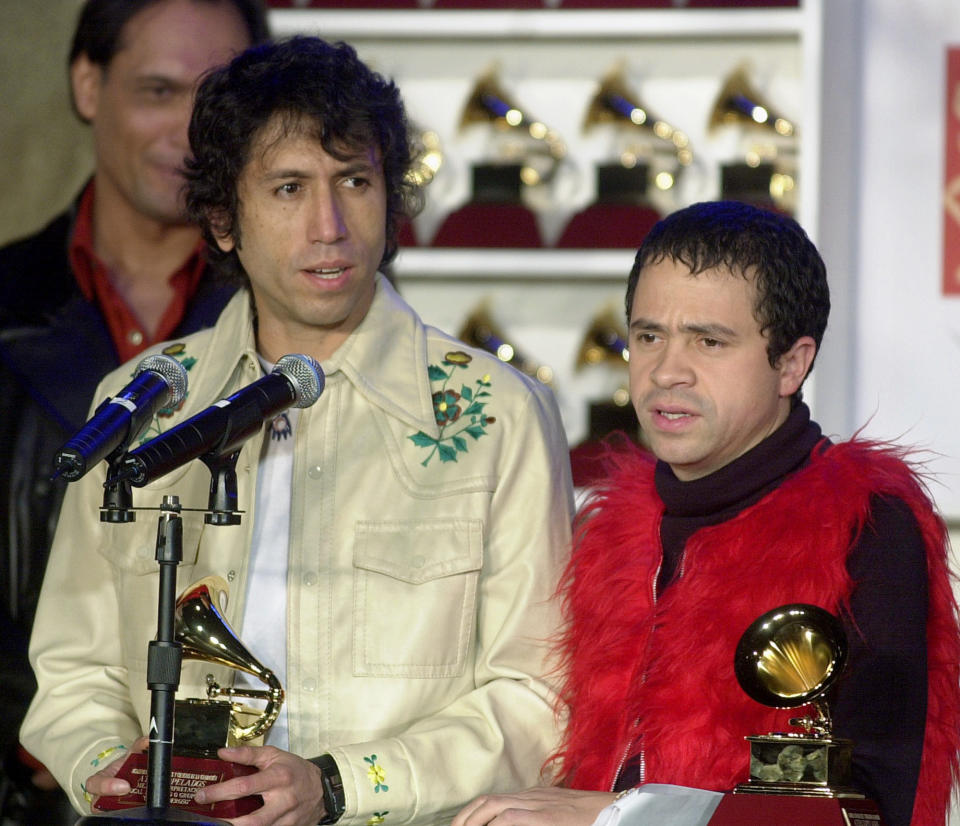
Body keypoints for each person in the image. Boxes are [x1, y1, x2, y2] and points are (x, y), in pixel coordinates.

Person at [21, 35, 574, 826]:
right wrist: (105, 769)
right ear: (221, 219)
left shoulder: (495, 413)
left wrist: (338, 784)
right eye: (287, 188)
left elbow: (536, 699)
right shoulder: (148, 402)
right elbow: (72, 667)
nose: (329, 225)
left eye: (354, 181)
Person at [452, 201, 960, 826]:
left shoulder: (867, 523)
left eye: (709, 341)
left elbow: (870, 811)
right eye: (648, 336)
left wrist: (616, 816)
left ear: (792, 364)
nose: (666, 371)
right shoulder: (611, 530)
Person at [0, 1, 269, 822]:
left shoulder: (298, 335)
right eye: (158, 90)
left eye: (216, 98)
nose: (190, 132)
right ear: (88, 83)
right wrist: (42, 738)